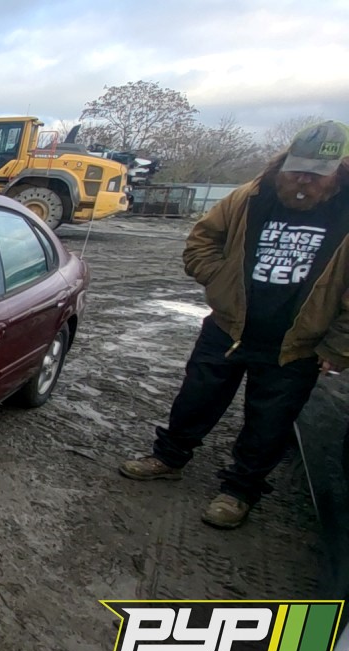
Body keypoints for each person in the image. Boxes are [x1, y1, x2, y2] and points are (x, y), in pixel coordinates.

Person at [119, 121, 349, 529]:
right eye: (296, 170)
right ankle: (169, 457)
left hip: (296, 344)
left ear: (337, 172)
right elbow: (202, 240)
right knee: (197, 396)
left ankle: (240, 490)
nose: (302, 181)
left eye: (315, 175)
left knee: (269, 421)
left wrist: (338, 347)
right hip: (229, 326)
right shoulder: (251, 197)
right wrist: (219, 280)